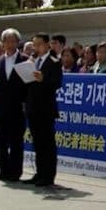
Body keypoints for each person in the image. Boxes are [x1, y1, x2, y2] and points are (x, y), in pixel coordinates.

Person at [24, 33, 63, 187]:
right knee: (38, 142)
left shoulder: (54, 61)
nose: (36, 47)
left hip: (46, 108)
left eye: (39, 44)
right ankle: (39, 173)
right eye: (34, 44)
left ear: (47, 45)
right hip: (33, 106)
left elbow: (57, 83)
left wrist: (44, 79)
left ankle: (48, 176)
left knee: (47, 143)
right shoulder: (33, 60)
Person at [0, 29, 27, 181]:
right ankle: (3, 171)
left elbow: (29, 85)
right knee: (2, 141)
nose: (10, 44)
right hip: (1, 108)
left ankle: (15, 172)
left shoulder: (25, 59)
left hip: (18, 107)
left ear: (18, 43)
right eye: (7, 41)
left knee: (16, 141)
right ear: (3, 43)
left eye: (13, 41)